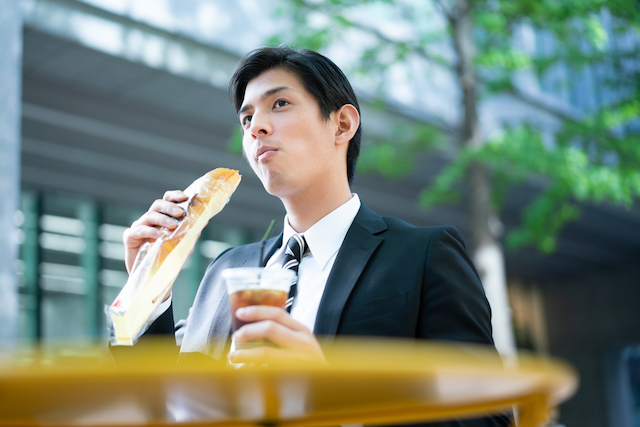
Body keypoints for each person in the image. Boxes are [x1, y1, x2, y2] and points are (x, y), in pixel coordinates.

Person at [120, 45, 509, 426]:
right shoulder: (226, 270)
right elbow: (161, 404)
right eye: (246, 118)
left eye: (280, 104)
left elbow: (486, 416)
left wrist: (337, 401)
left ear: (342, 124)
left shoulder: (422, 255)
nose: (256, 126)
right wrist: (147, 285)